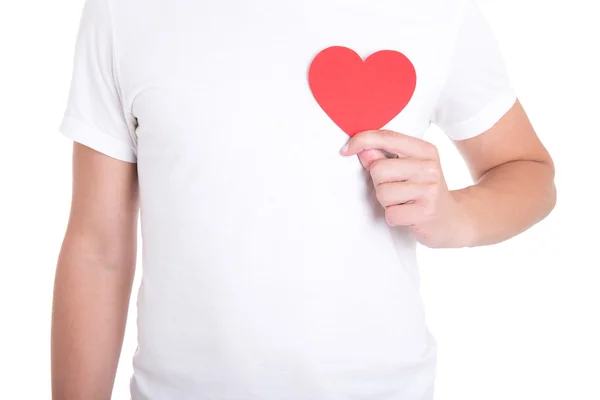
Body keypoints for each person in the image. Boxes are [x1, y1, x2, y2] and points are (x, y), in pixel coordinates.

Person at [50, 0, 556, 398]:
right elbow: (98, 249)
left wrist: (455, 217)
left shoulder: (434, 10)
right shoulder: (124, 10)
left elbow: (528, 172)